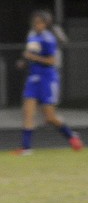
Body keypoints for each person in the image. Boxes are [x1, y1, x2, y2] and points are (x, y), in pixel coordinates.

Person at [11, 10, 84, 155]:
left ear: (46, 24)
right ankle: (26, 148)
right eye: (35, 22)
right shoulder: (31, 35)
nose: (37, 25)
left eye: (40, 22)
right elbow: (30, 55)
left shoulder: (48, 38)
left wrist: (33, 57)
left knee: (50, 117)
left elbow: (52, 61)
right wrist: (24, 62)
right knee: (28, 112)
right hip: (33, 78)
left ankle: (71, 135)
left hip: (47, 78)